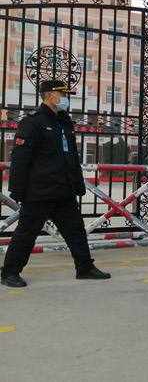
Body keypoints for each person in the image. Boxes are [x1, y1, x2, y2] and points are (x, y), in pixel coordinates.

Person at [1, 80, 111, 288]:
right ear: (50, 95)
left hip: (64, 190)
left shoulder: (64, 122)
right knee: (26, 234)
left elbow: (71, 157)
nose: (65, 99)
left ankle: (85, 268)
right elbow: (21, 158)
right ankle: (10, 272)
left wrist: (77, 184)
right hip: (40, 191)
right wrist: (18, 190)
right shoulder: (33, 122)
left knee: (76, 231)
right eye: (62, 94)